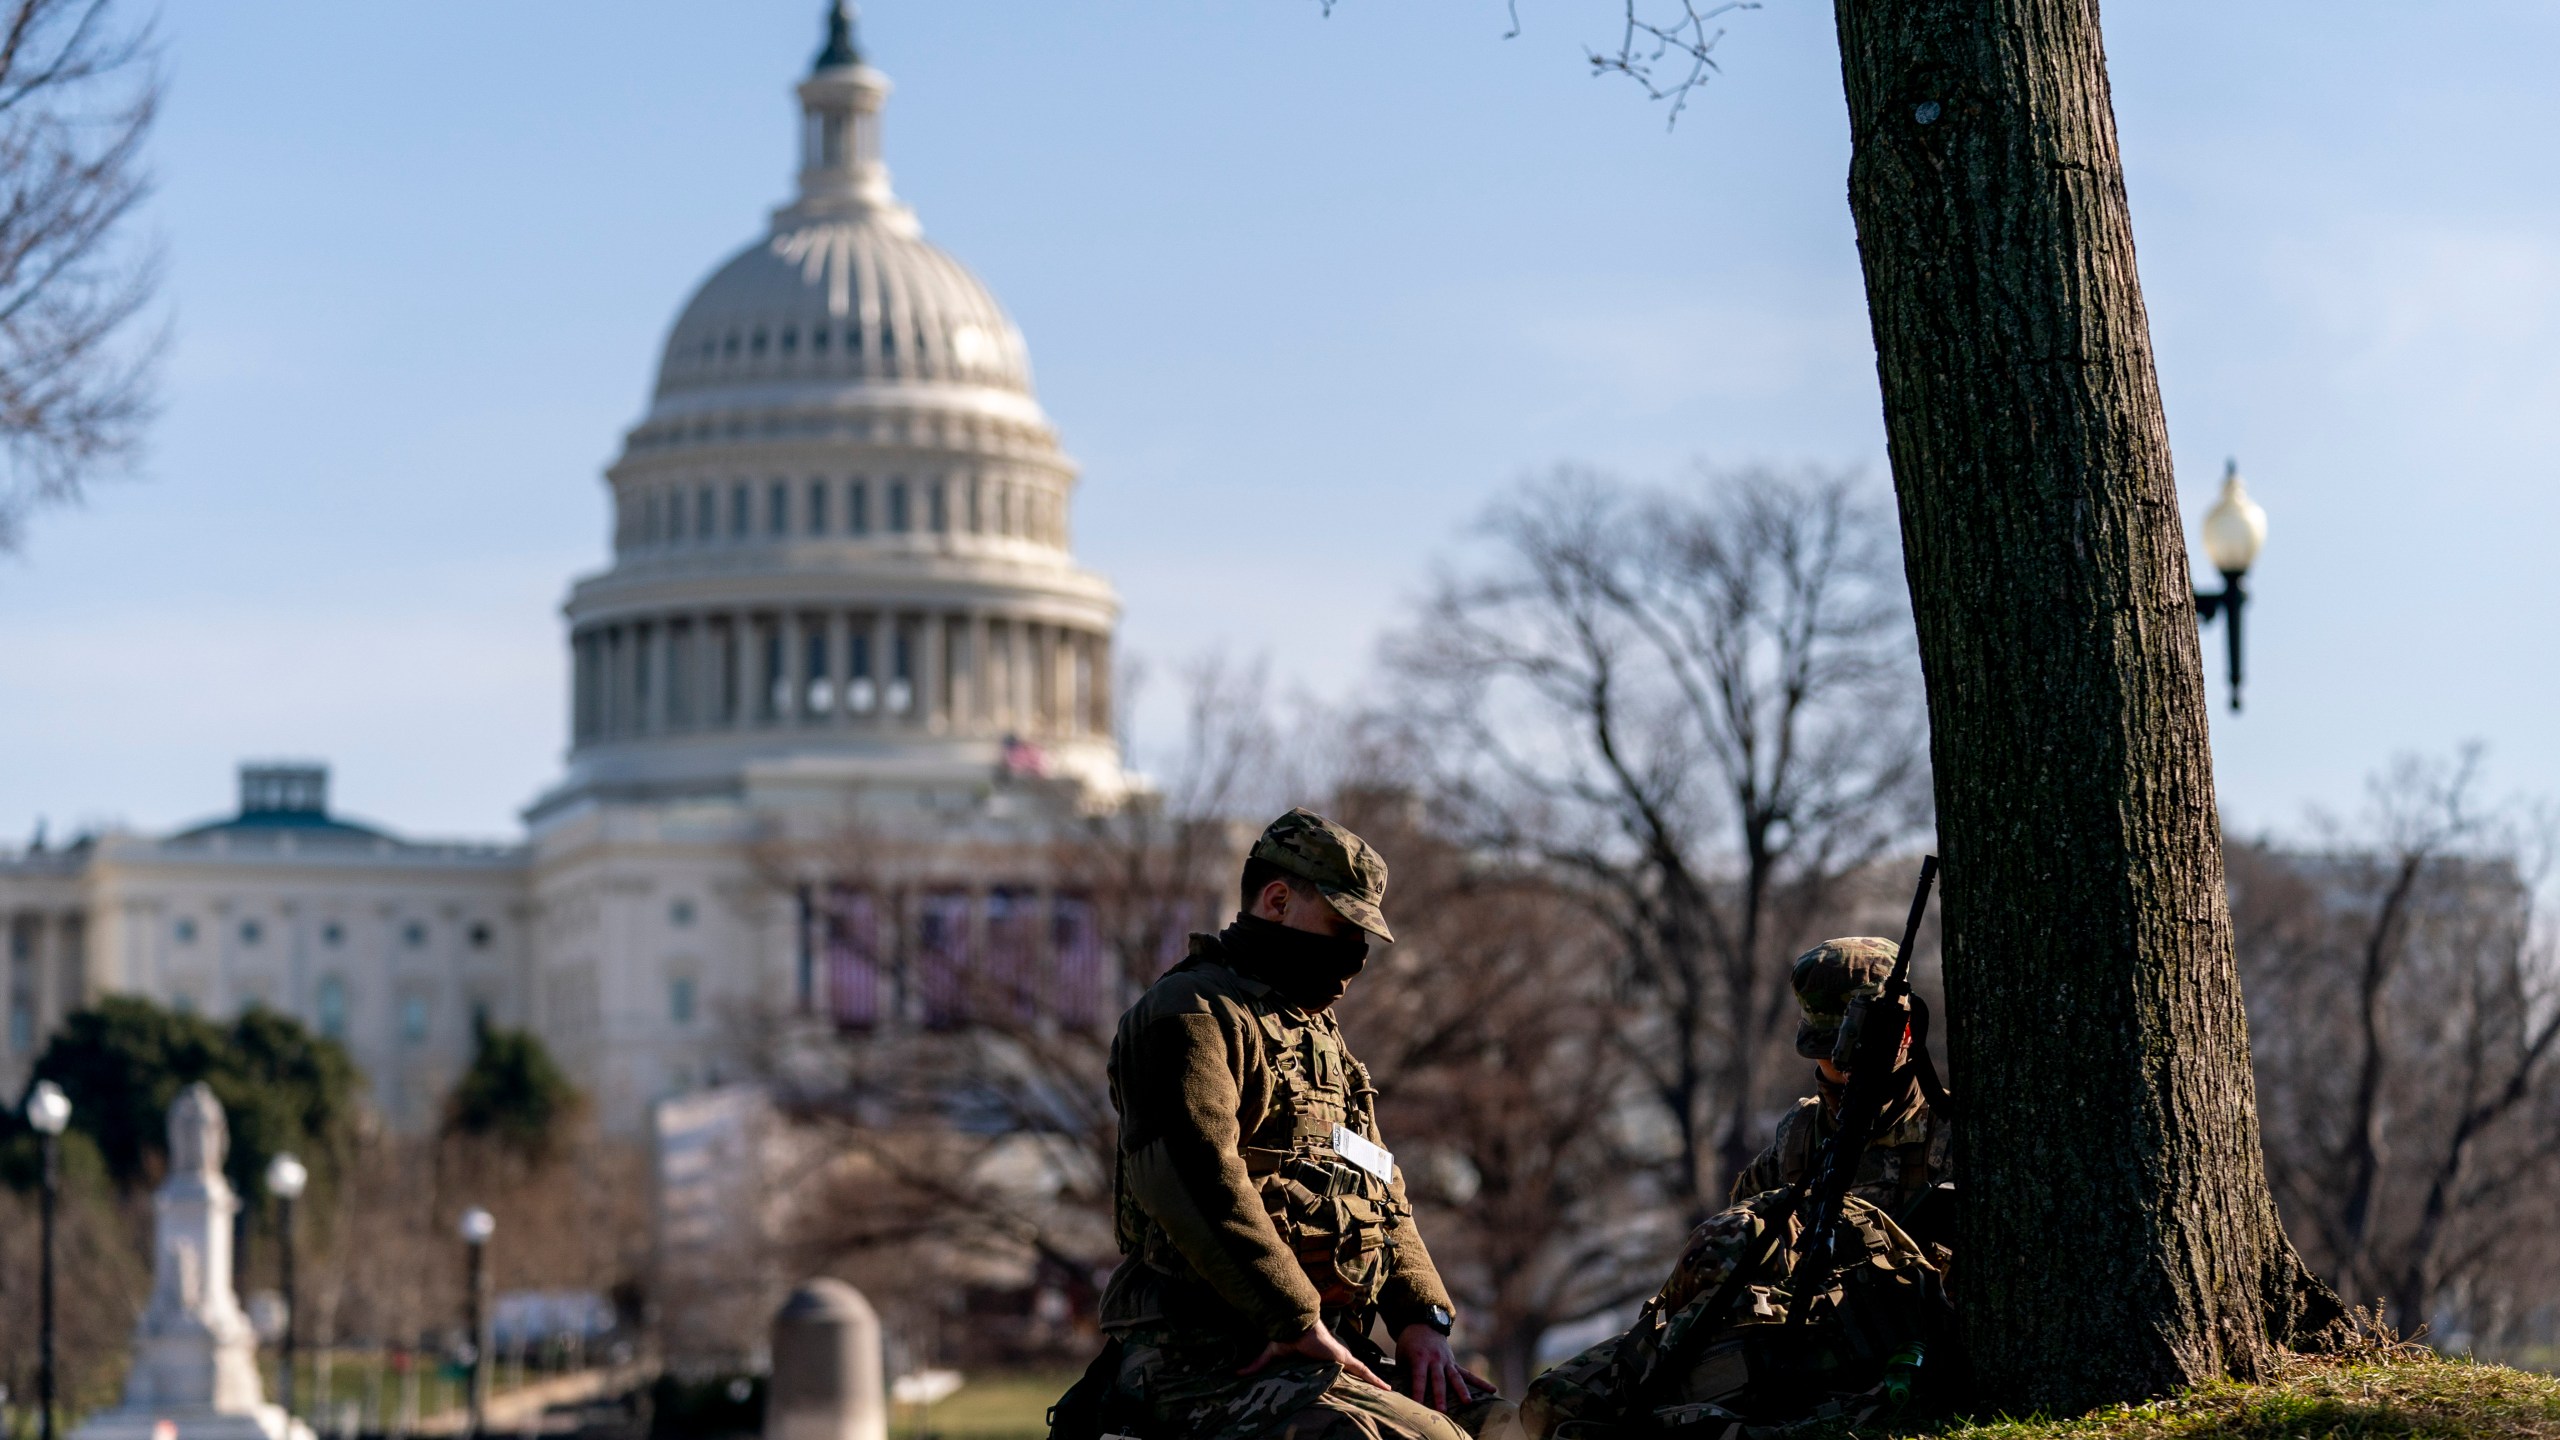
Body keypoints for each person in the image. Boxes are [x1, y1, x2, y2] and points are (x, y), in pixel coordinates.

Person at [1060, 808, 1515, 1440]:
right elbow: (1195, 1178)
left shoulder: (1319, 1039)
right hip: (1206, 1359)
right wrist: (1293, 1319)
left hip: (1316, 1350)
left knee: (1510, 1428)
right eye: (1342, 928)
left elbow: (1381, 1186)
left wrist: (1423, 1320)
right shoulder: (1190, 1014)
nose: (1353, 955)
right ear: (1277, 900)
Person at [1520, 938, 1954, 1440]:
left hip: (1871, 1365)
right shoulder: (1799, 1138)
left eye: (1858, 1047)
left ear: (1903, 1036)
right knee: (1555, 1402)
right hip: (1767, 1340)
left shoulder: (1949, 1138)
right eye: (1831, 1052)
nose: (1845, 1066)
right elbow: (1729, 1258)